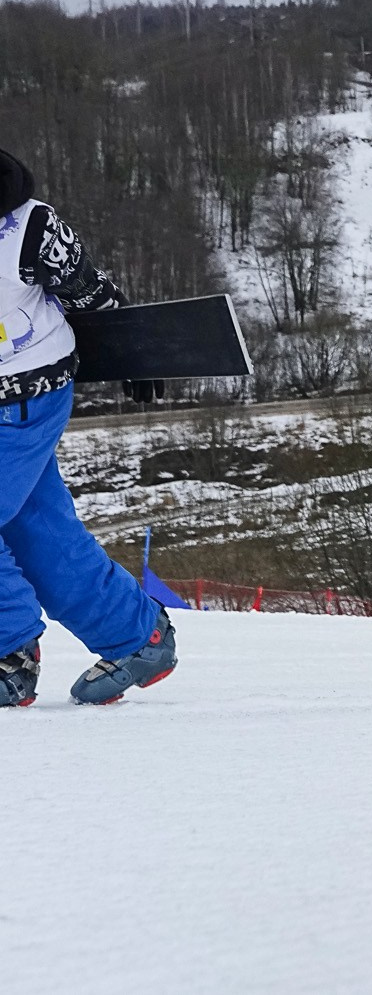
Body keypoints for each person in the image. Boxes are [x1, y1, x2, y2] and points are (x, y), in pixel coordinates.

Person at [1, 148, 178, 708]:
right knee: (35, 528)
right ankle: (136, 635)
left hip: (24, 401)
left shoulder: (29, 228)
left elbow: (90, 294)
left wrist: (130, 353)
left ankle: (8, 650)